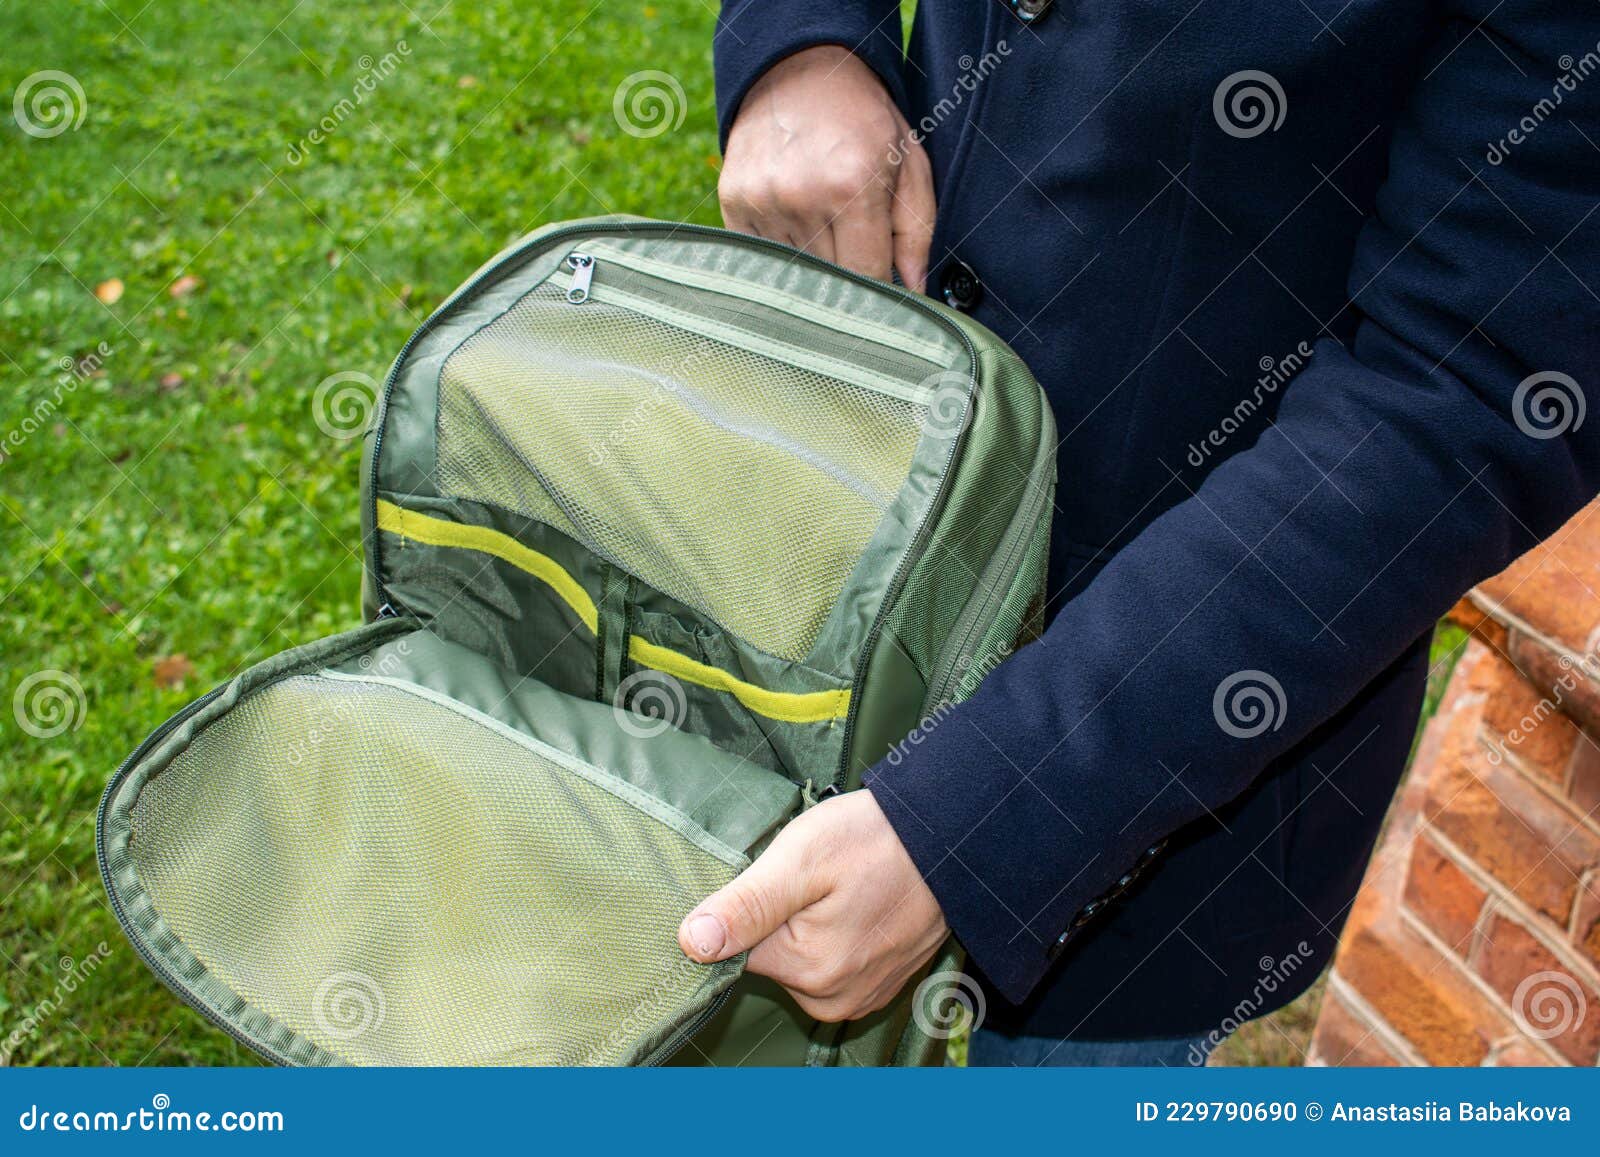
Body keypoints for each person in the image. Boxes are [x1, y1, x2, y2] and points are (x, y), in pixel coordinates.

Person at [674, 0, 1600, 1066]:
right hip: (830, 525)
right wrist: (804, 48)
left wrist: (979, 820)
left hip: (1134, 806)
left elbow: (1463, 389)